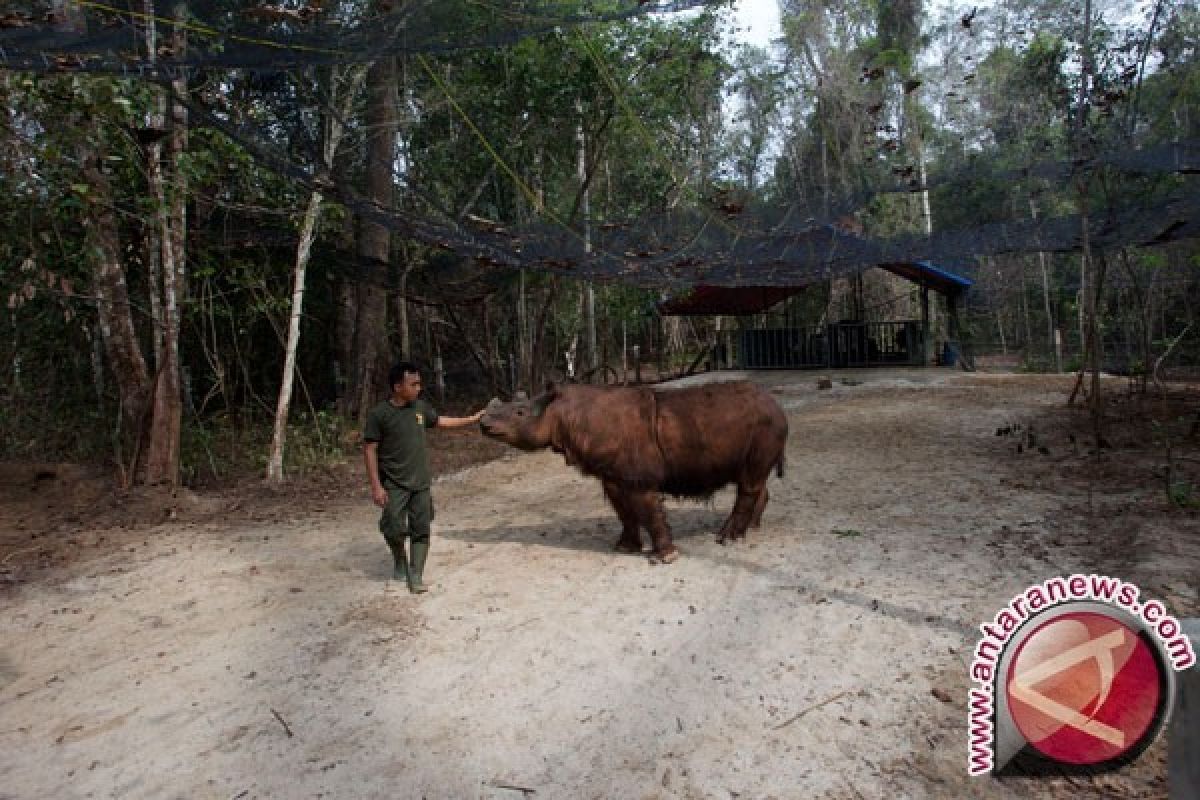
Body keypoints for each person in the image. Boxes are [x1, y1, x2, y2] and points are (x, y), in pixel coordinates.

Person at [363, 362, 484, 593]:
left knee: (421, 528)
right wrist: (376, 487)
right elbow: (369, 450)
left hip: (420, 483)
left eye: (419, 383)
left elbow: (441, 422)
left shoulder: (420, 408)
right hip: (394, 483)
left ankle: (415, 574)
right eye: (413, 384)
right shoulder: (379, 415)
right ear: (397, 387)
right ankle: (399, 559)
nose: (418, 388)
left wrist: (471, 419)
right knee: (393, 527)